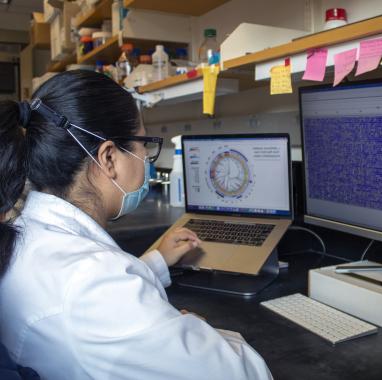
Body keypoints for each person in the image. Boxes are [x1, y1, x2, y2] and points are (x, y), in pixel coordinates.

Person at [0, 70, 272, 380]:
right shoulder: (95, 284)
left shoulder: (27, 236)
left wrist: (154, 264)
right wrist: (200, 331)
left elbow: (94, 297)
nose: (146, 158)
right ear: (109, 158)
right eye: (143, 145)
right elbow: (244, 374)